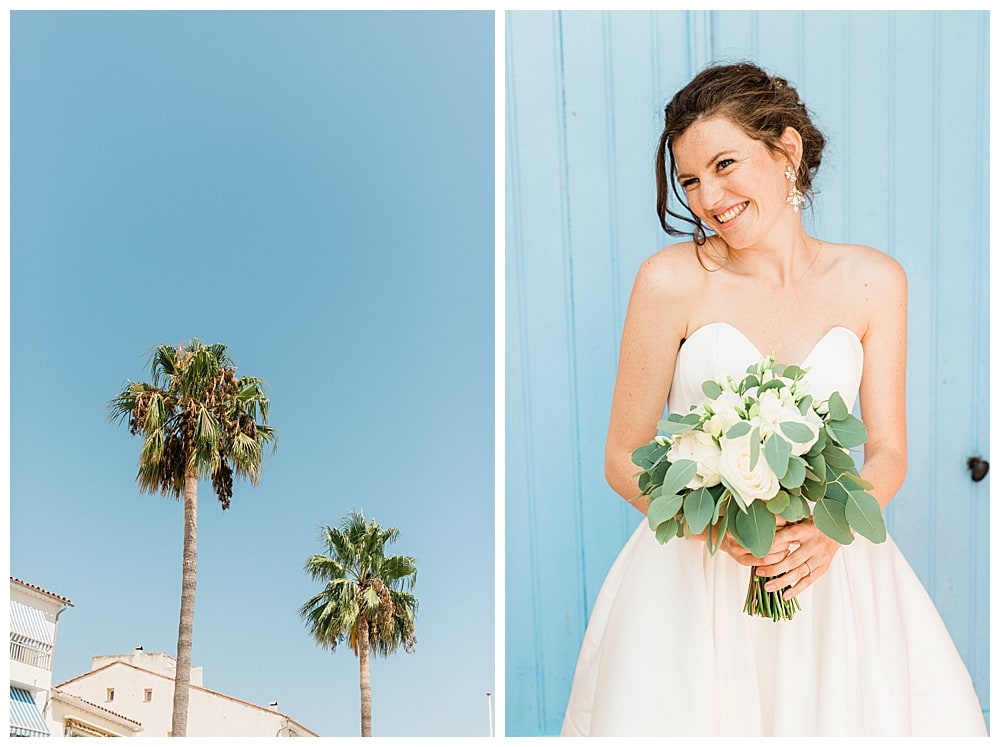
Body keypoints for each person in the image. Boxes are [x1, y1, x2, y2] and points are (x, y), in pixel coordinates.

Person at [560, 62, 987, 737]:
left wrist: (832, 530)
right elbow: (621, 456)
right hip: (693, 578)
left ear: (786, 150)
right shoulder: (668, 281)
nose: (709, 198)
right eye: (691, 181)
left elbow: (888, 451)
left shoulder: (876, 281)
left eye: (725, 165)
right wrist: (714, 529)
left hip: (832, 572)